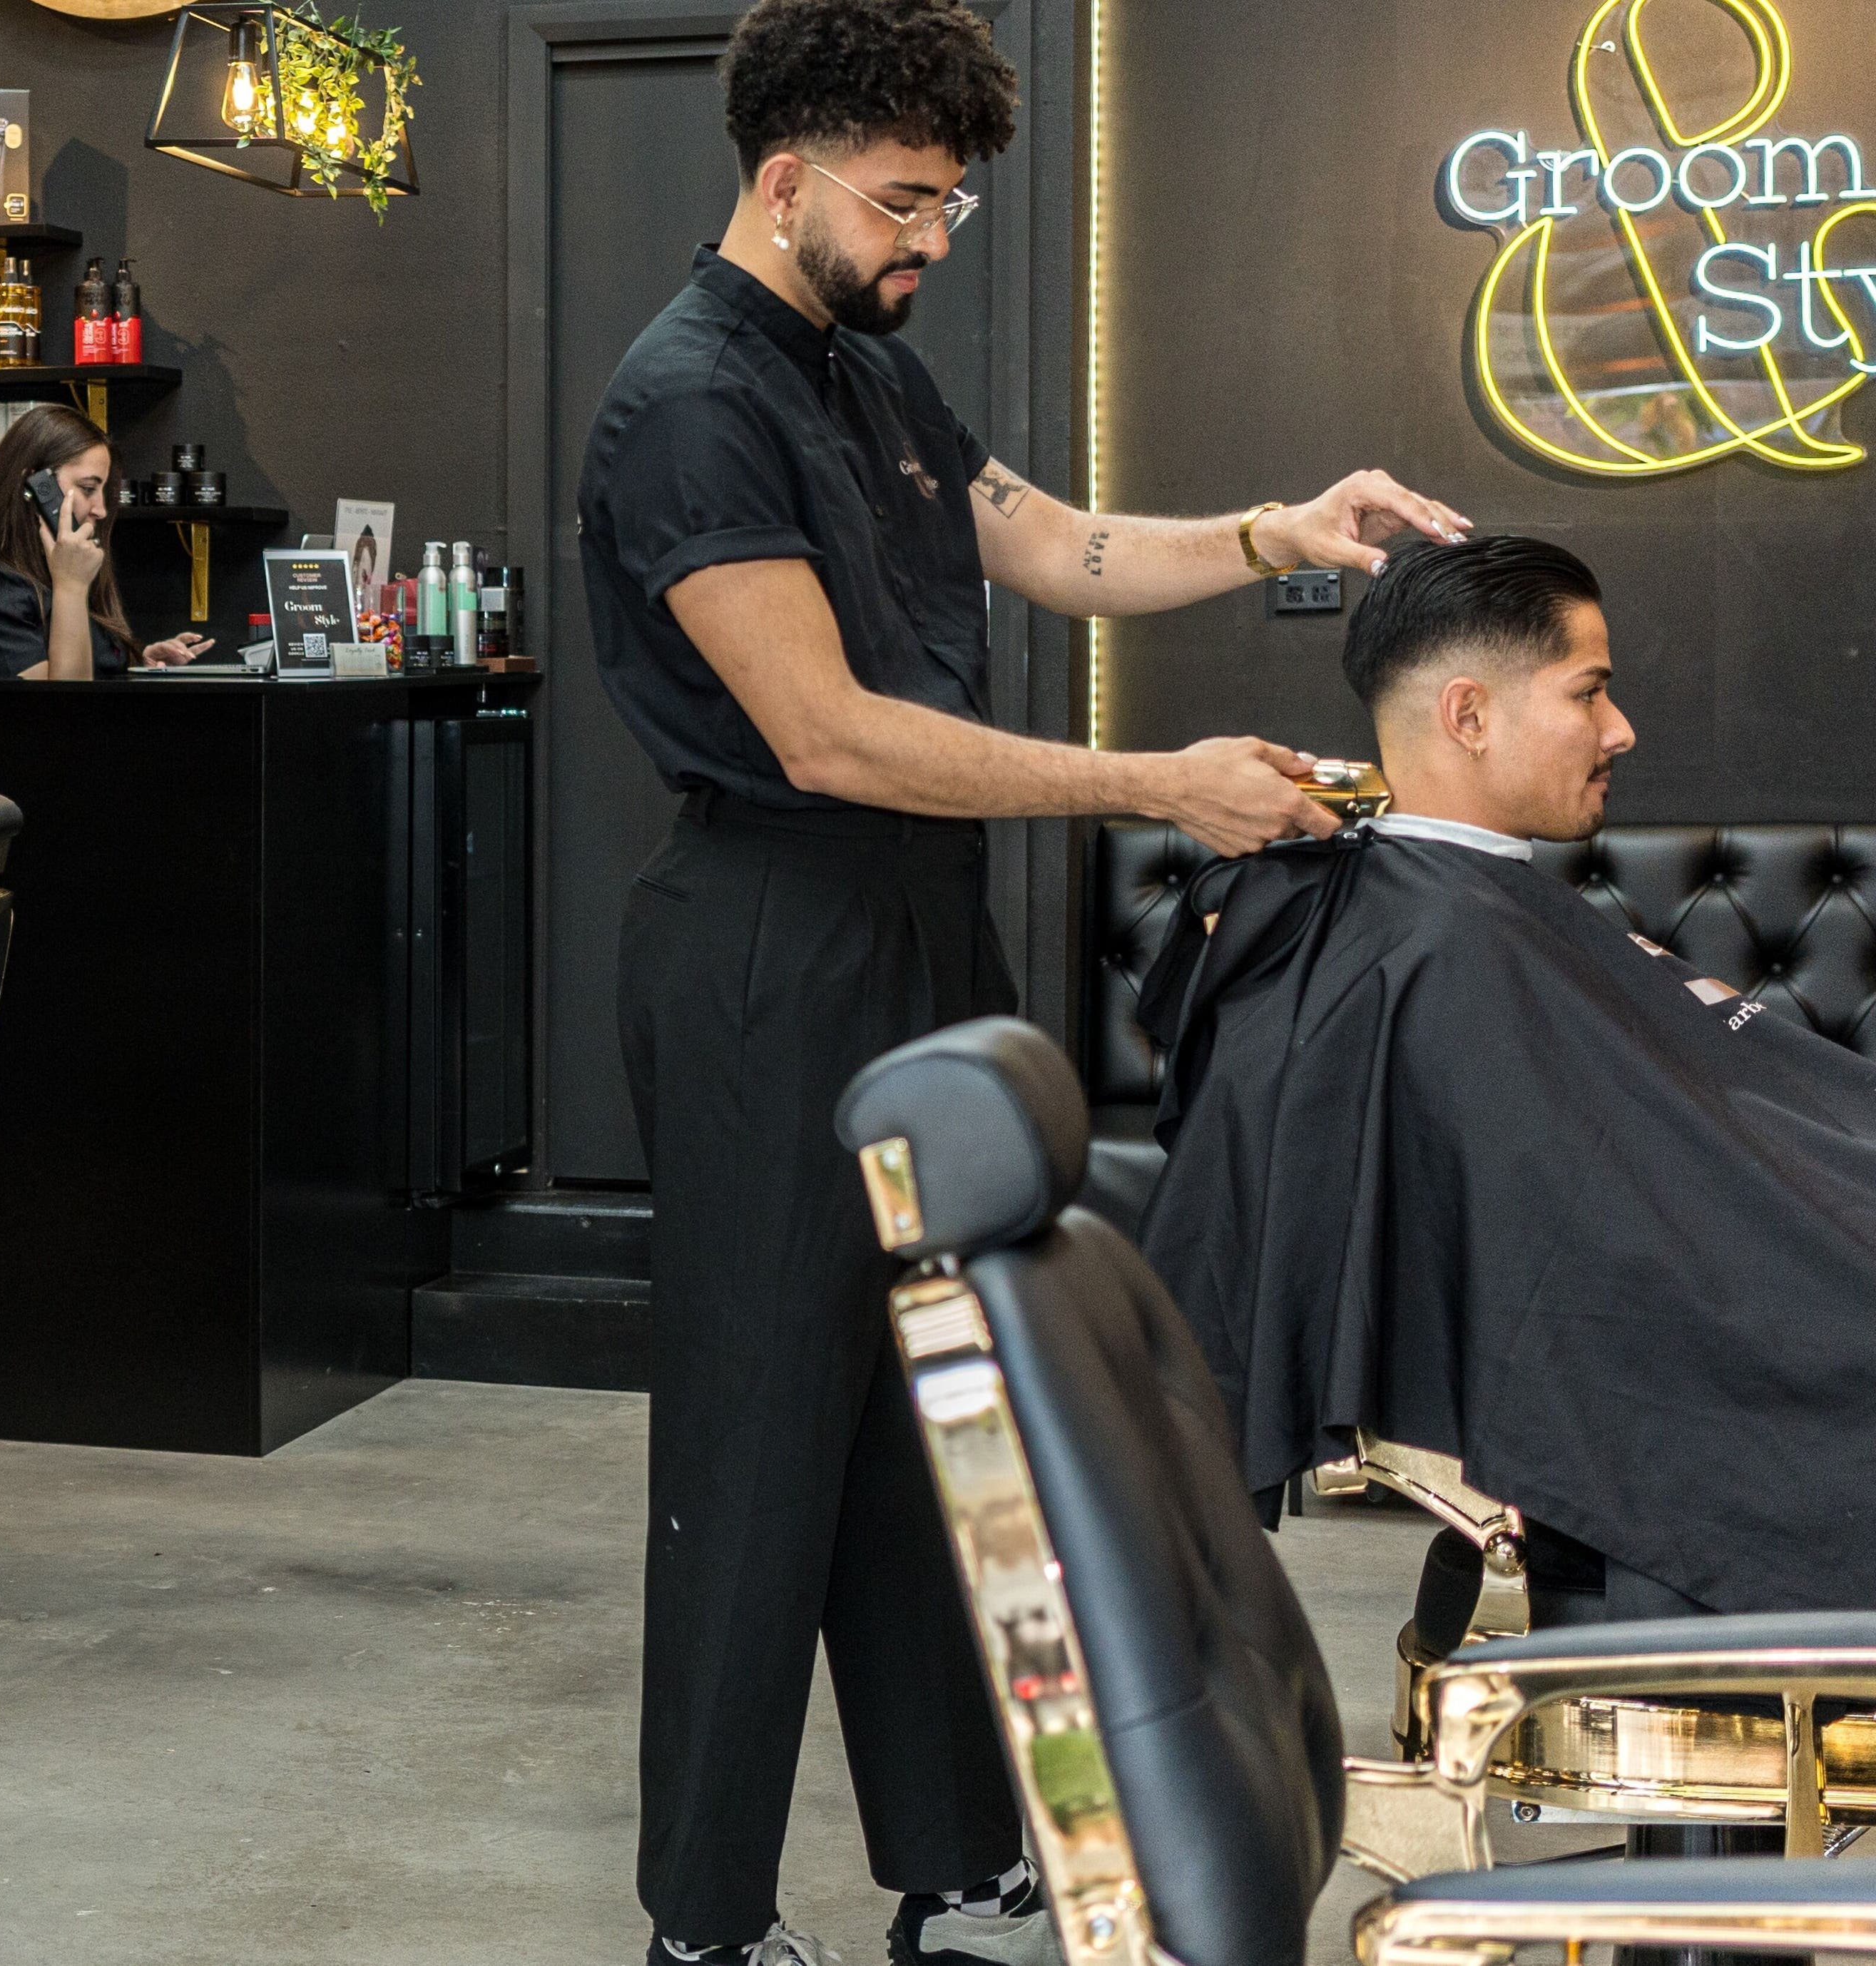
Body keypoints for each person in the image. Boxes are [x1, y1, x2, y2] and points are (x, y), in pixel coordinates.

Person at [574, 4, 1474, 1962]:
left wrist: (1276, 532)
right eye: (906, 202)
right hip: (766, 940)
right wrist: (1157, 787)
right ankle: (704, 1918)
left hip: (917, 931)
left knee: (940, 1410)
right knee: (758, 1438)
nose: (933, 240)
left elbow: (1058, 549)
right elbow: (824, 734)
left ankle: (957, 1855)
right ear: (782, 175)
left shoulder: (872, 380)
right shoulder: (687, 406)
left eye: (959, 204)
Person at [1138, 536, 1876, 1621]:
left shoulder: (1447, 914)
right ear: (1470, 715)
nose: (1620, 728)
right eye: (1590, 692)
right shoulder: (1431, 945)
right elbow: (1627, 1240)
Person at [0, 403, 213, 678]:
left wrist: (135, 664)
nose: (101, 509)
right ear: (34, 487)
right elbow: (63, 709)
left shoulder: (47, 575)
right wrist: (71, 587)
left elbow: (81, 666)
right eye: (87, 488)